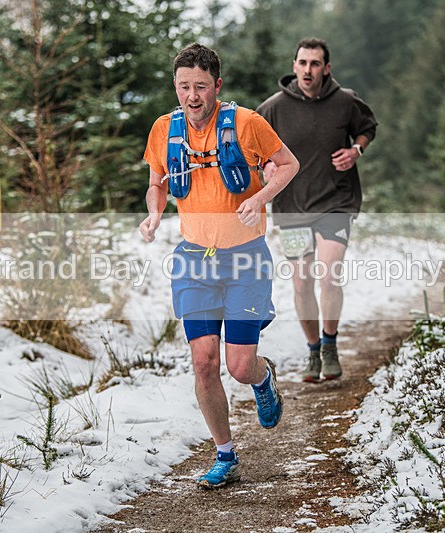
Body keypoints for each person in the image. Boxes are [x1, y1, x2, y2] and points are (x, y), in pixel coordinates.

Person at [139, 43, 300, 489]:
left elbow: (288, 164)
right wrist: (155, 213)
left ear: (217, 87)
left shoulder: (247, 124)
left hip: (245, 258)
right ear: (176, 86)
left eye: (201, 87)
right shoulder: (163, 129)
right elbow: (157, 182)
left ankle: (263, 377)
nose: (193, 96)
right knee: (204, 361)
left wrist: (259, 197)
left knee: (238, 366)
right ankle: (225, 455)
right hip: (194, 260)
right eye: (185, 86)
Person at [256, 38, 377, 383]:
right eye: (302, 63)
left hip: (335, 203)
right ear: (294, 66)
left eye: (315, 64)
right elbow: (254, 149)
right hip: (292, 208)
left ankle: (330, 345)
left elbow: (368, 128)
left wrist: (356, 150)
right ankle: (312, 350)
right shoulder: (273, 108)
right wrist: (265, 166)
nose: (308, 70)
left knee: (328, 274)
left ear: (326, 68)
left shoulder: (346, 101)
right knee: (301, 283)